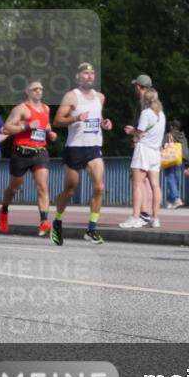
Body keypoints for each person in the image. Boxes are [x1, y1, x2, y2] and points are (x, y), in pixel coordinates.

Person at [49, 63, 113, 245]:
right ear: (78, 76)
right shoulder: (71, 96)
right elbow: (57, 120)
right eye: (86, 73)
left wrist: (105, 124)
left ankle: (91, 229)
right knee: (70, 190)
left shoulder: (100, 97)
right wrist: (76, 118)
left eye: (92, 73)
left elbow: (97, 118)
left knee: (99, 187)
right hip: (75, 148)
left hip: (94, 147)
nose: (89, 76)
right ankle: (58, 221)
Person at [0, 79, 57, 235]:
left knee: (42, 186)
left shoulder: (46, 108)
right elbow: (6, 128)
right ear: (27, 91)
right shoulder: (21, 109)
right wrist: (26, 126)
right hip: (21, 153)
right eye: (35, 89)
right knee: (14, 188)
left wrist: (50, 133)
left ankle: (44, 221)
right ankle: (4, 209)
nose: (39, 91)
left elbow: (46, 125)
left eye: (41, 89)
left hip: (40, 151)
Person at [120, 82, 166, 229]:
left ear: (145, 100)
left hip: (144, 150)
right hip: (155, 152)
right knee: (155, 186)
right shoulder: (161, 115)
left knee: (137, 184)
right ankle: (155, 218)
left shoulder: (146, 113)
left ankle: (135, 217)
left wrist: (131, 131)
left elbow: (139, 133)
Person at [163, 119, 189, 209]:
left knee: (171, 178)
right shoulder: (182, 136)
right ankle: (170, 201)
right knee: (175, 179)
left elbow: (162, 146)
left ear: (171, 127)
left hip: (168, 159)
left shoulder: (168, 135)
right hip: (178, 161)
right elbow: (185, 150)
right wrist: (187, 165)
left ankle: (176, 198)